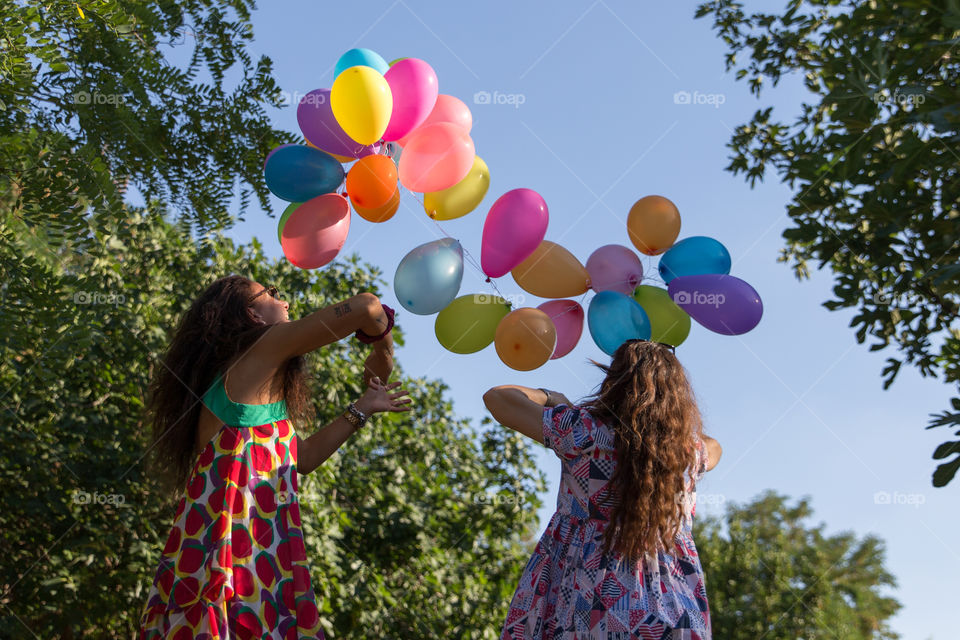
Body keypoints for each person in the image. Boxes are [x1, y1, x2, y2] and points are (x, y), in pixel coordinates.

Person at [137, 274, 411, 639]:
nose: (285, 303)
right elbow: (366, 307)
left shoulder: (254, 383)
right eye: (273, 295)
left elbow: (304, 457)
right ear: (252, 315)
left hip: (252, 546)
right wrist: (383, 353)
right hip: (238, 545)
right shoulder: (263, 346)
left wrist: (362, 407)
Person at [483, 339, 722, 639]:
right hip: (673, 614)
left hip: (591, 605)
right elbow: (715, 448)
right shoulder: (687, 453)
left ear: (614, 383)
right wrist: (667, 427)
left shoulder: (584, 432)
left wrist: (551, 397)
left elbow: (498, 398)